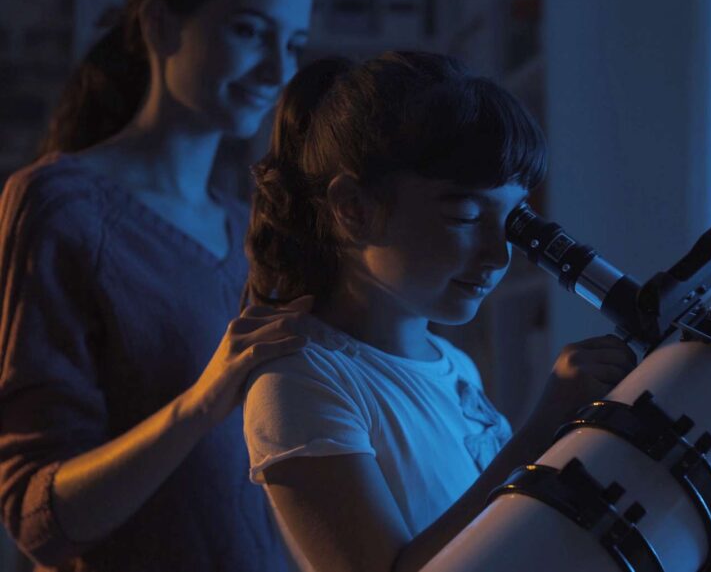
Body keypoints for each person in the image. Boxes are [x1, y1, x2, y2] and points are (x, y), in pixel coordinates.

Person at [242, 51, 638, 572]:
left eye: (512, 221)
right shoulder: (301, 381)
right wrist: (547, 423)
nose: (498, 255)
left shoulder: (452, 365)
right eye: (465, 216)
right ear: (354, 209)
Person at [0, 0, 314, 570]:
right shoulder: (62, 206)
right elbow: (37, 519)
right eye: (249, 31)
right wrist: (198, 407)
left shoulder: (248, 224)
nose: (277, 70)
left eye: (295, 43)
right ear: (159, 26)